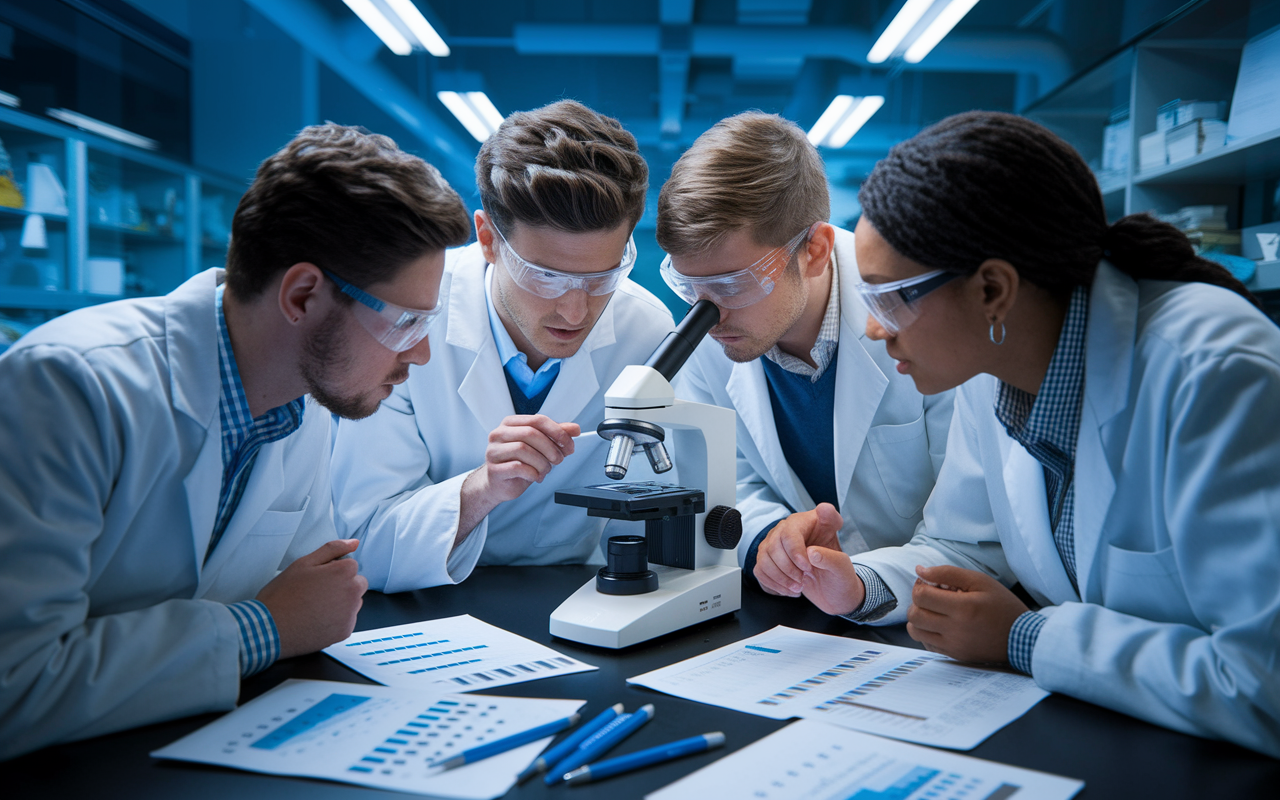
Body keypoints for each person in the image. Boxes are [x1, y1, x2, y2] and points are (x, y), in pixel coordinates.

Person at [795, 111, 1280, 757]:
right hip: (1112, 738)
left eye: (889, 298)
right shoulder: (989, 365)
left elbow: (1261, 684)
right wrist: (861, 584)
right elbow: (967, 542)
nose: (875, 330)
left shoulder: (1213, 372)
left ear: (993, 289)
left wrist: (1026, 638)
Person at [0, 123, 471, 759]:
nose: (419, 352)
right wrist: (264, 627)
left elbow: (316, 600)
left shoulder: (301, 406)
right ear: (303, 295)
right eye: (407, 322)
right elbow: (15, 681)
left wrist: (287, 619)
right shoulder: (70, 386)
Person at [331, 100, 674, 591]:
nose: (576, 312)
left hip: (575, 595)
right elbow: (364, 544)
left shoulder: (646, 331)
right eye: (545, 277)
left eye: (603, 276)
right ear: (488, 239)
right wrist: (481, 489)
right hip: (427, 603)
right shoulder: (410, 323)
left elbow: (643, 525)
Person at [656, 112, 952, 604]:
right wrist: (769, 538)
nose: (707, 314)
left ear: (814, 250)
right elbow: (725, 477)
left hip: (922, 611)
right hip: (798, 611)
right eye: (689, 285)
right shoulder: (713, 334)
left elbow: (970, 524)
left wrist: (865, 586)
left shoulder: (919, 316)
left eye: (733, 284)